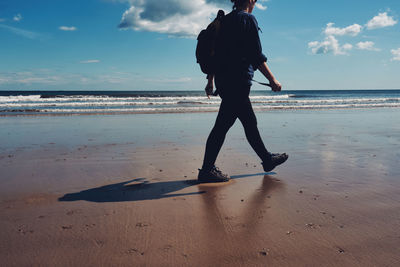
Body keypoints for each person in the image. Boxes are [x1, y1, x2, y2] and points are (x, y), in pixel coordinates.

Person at [198, 0, 288, 183]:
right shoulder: (247, 19)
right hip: (238, 81)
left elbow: (216, 55)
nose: (255, 2)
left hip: (225, 81)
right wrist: (272, 80)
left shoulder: (223, 21)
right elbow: (256, 55)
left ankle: (267, 159)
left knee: (242, 122)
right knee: (227, 125)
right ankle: (207, 170)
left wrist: (211, 81)